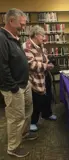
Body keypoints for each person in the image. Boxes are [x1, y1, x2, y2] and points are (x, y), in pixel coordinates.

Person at [0, 8, 37, 158]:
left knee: (27, 111)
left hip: (24, 83)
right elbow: (1, 66)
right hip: (14, 87)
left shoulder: (14, 36)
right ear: (11, 21)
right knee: (16, 117)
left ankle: (24, 133)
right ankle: (13, 148)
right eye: (21, 24)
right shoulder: (1, 38)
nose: (24, 27)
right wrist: (13, 87)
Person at [23, 25, 57, 132]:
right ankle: (33, 122)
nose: (44, 38)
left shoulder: (40, 45)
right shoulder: (26, 46)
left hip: (44, 75)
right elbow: (31, 64)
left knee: (47, 96)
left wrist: (48, 61)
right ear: (36, 35)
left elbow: (44, 57)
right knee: (36, 100)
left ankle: (47, 114)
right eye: (42, 36)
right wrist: (46, 66)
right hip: (34, 79)